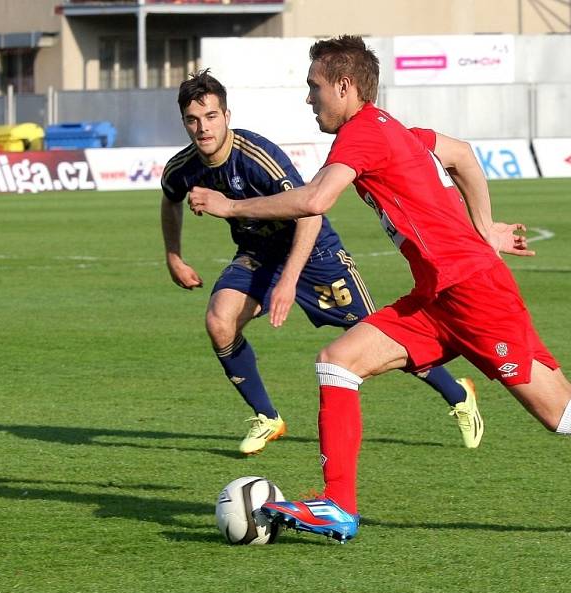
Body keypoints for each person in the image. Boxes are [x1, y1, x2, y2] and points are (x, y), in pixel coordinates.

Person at [187, 36, 571, 542]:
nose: (310, 98)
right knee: (337, 361)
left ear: (345, 87)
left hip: (473, 293)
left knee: (563, 413)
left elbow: (313, 200)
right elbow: (461, 152)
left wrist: (229, 205)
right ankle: (339, 505)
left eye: (314, 86)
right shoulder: (392, 129)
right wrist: (485, 228)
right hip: (437, 296)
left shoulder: (363, 134)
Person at [161, 69, 484, 456]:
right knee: (219, 320)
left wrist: (288, 281)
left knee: (377, 335)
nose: (203, 128)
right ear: (183, 122)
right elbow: (170, 199)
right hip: (258, 255)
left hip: (313, 252)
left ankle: (458, 394)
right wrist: (174, 256)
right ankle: (267, 417)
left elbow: (310, 214)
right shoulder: (183, 167)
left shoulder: (258, 157)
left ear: (227, 116)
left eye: (211, 116)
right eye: (193, 120)